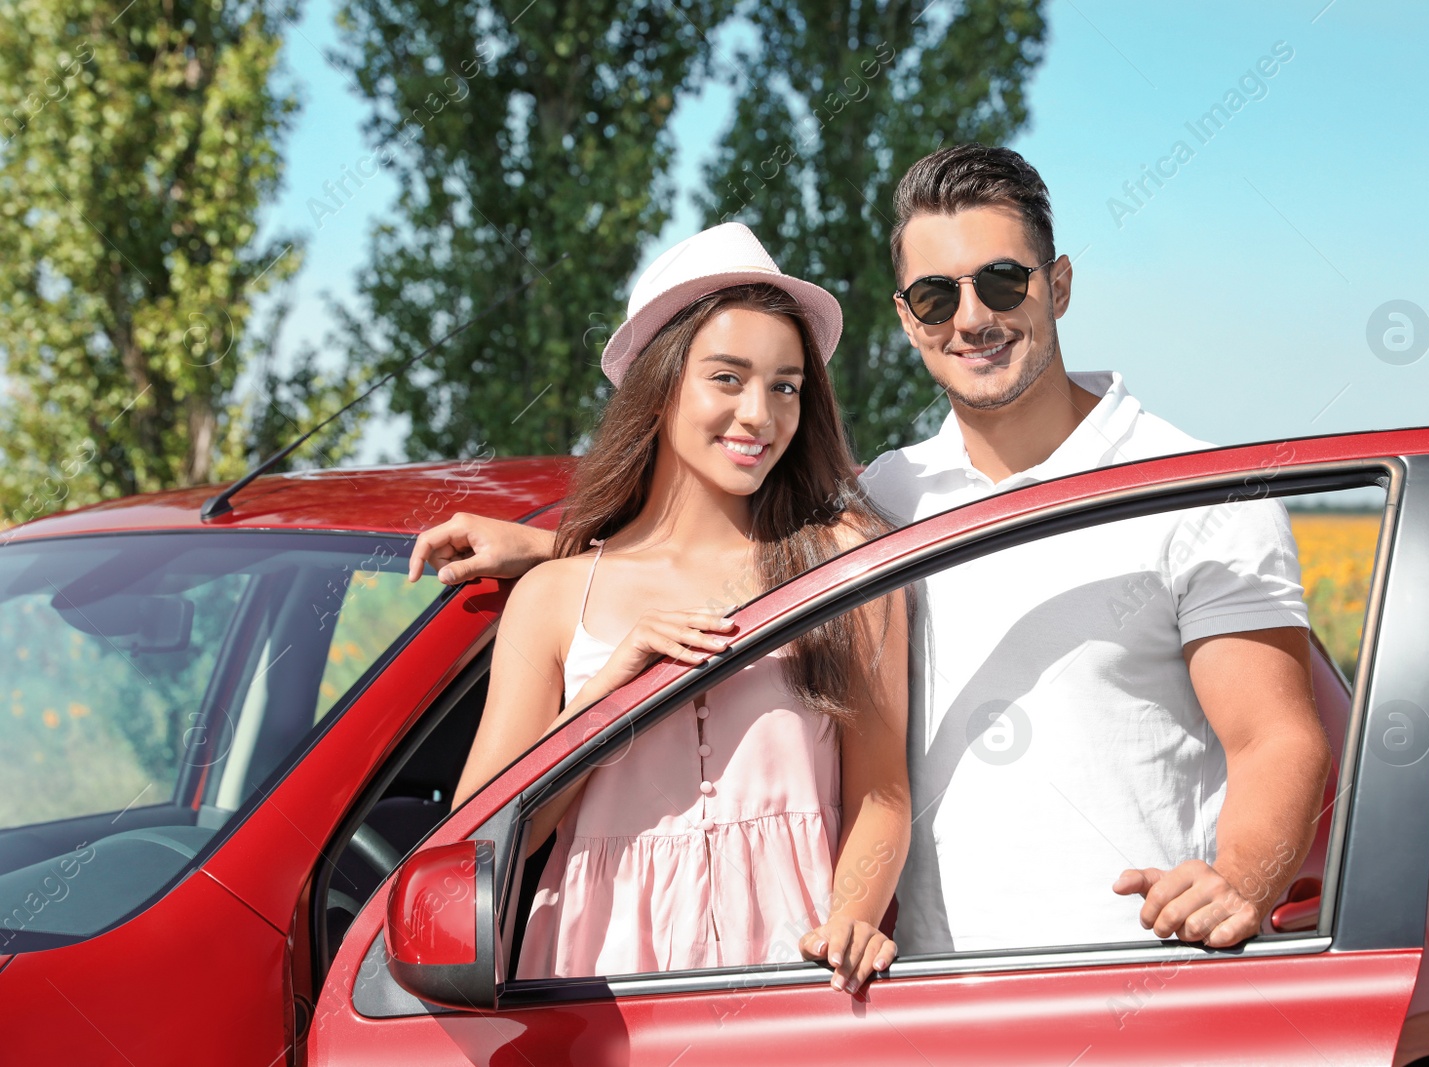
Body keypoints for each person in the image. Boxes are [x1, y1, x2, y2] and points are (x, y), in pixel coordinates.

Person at [416, 146, 1330, 955]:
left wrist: (1243, 877)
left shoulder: (1193, 488)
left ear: (1058, 284)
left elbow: (1280, 735)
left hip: (1128, 969)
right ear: (907, 317)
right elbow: (723, 533)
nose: (972, 316)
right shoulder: (895, 497)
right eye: (938, 295)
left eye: (1003, 282)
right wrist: (552, 554)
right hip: (931, 987)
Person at [448, 223, 910, 993]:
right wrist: (610, 692)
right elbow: (478, 843)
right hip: (593, 989)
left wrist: (851, 918)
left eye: (785, 385)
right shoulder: (555, 599)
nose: (760, 414)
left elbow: (884, 792)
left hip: (798, 977)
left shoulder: (844, 561)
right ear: (660, 384)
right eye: (727, 378)